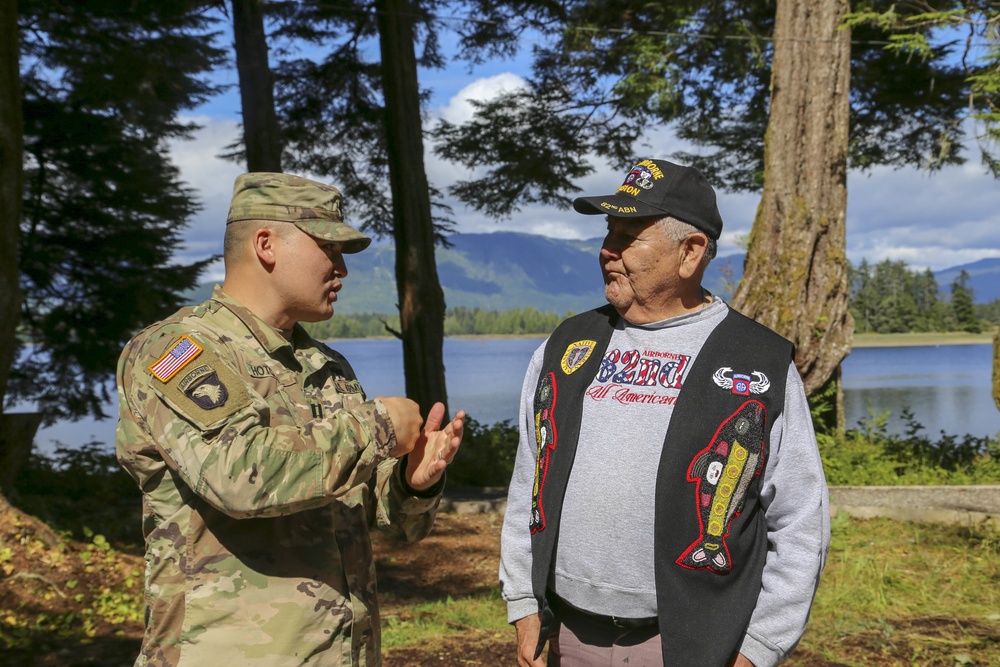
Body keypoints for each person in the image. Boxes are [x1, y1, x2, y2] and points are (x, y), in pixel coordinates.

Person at [115, 172, 465, 667]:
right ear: (266, 245)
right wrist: (379, 427)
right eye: (328, 247)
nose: (342, 267)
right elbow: (238, 475)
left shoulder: (325, 366)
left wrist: (413, 482)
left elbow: (368, 511)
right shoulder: (178, 350)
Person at [499, 159, 830, 667]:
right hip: (565, 635)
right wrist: (523, 602)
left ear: (689, 253)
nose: (608, 250)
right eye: (608, 232)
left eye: (629, 236)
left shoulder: (756, 361)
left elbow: (800, 522)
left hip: (691, 644)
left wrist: (759, 648)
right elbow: (530, 481)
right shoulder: (567, 345)